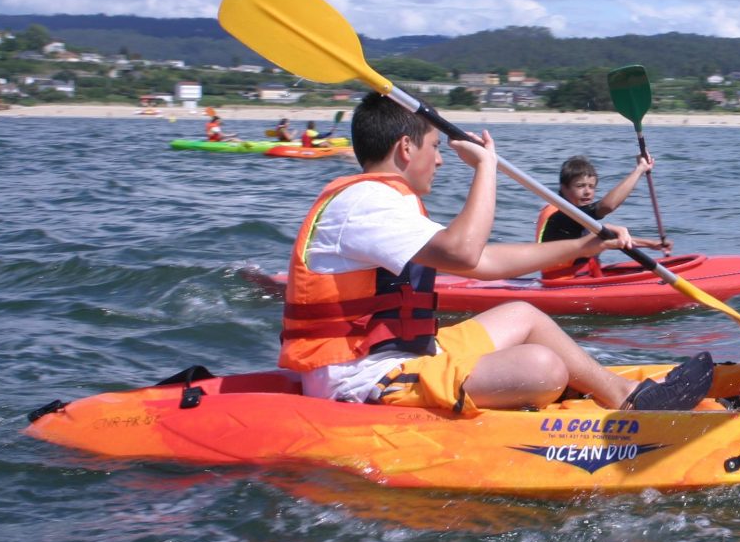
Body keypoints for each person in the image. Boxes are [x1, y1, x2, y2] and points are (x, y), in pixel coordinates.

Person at [279, 91, 714, 413]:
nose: (441, 160)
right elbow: (468, 253)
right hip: (361, 378)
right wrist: (487, 167)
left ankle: (625, 397)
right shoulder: (365, 202)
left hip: (409, 355)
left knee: (524, 314)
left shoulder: (381, 201)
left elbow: (485, 262)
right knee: (543, 368)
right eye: (435, 147)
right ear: (406, 148)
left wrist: (582, 245)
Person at [536, 153, 671, 279]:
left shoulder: (576, 216)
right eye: (580, 186)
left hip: (580, 277)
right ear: (564, 188)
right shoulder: (562, 215)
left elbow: (606, 238)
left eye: (591, 186)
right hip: (566, 282)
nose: (587, 192)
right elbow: (607, 206)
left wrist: (651, 244)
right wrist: (640, 169)